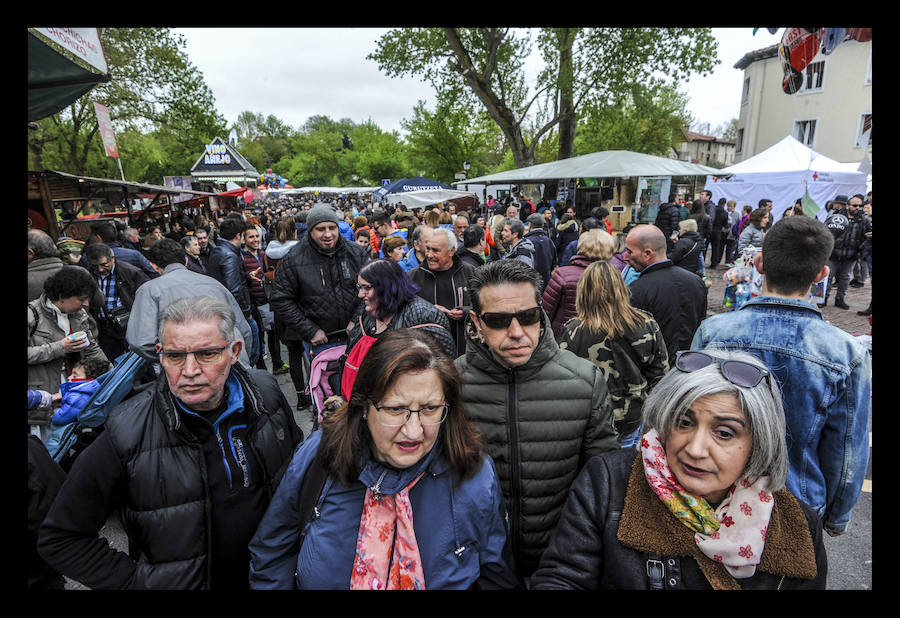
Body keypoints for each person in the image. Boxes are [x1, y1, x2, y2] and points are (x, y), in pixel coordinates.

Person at [38, 296, 303, 590]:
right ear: (160, 355)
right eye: (175, 357)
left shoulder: (266, 394)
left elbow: (297, 481)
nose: (189, 371)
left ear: (234, 351)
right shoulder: (127, 430)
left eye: (206, 354)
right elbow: (61, 536)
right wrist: (136, 583)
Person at [531, 349, 827, 589]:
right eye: (684, 423)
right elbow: (563, 577)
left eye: (724, 433)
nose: (695, 449)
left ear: (759, 442)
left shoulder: (797, 526)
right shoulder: (609, 483)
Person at [248, 329, 517, 589]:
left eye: (430, 408)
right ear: (364, 407)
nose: (414, 431)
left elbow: (495, 574)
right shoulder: (320, 455)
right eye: (395, 409)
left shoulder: (473, 473)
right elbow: (272, 554)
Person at [692, 215, 871, 536]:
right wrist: (837, 517)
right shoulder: (847, 353)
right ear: (821, 275)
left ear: (759, 264)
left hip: (716, 493)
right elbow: (846, 450)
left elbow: (687, 414)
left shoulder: (714, 332)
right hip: (796, 503)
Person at [454, 259, 619, 582]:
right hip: (478, 564)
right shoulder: (451, 383)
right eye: (499, 321)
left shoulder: (584, 381)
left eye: (528, 317)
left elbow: (603, 481)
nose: (517, 333)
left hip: (561, 562)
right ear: (476, 321)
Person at [557, 260, 669, 448]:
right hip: (632, 415)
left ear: (584, 292)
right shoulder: (646, 323)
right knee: (625, 465)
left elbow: (562, 379)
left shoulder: (574, 330)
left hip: (589, 418)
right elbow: (660, 374)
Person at [269, 204, 369, 413]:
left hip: (358, 337)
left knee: (362, 393)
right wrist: (310, 330)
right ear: (310, 230)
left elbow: (373, 288)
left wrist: (357, 320)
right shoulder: (295, 258)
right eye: (320, 229)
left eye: (331, 227)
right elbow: (280, 300)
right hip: (322, 342)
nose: (327, 234)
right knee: (331, 400)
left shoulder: (355, 253)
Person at [125, 239, 253, 367]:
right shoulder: (213, 283)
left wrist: (175, 357)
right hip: (230, 364)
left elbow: (141, 342)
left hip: (186, 373)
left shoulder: (149, 290)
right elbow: (244, 330)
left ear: (153, 265)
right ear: (186, 260)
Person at [28, 266, 109, 441]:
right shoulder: (32, 315)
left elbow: (91, 348)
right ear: (62, 297)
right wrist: (59, 348)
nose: (86, 304)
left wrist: (112, 376)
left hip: (73, 390)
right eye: (81, 299)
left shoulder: (79, 315)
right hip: (41, 395)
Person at [346, 258, 456, 373]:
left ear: (387, 287)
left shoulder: (424, 316)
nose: (360, 294)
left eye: (367, 287)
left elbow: (445, 367)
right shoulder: (367, 316)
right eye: (360, 287)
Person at [624, 225, 707, 367]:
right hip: (688, 367)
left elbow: (632, 342)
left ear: (648, 253)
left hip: (655, 372)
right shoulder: (696, 282)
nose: (625, 257)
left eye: (629, 252)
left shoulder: (637, 290)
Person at [407, 227, 477, 358]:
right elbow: (402, 313)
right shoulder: (413, 277)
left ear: (451, 251)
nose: (429, 255)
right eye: (428, 248)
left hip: (464, 353)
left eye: (436, 250)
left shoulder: (470, 272)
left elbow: (485, 305)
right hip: (427, 355)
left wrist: (465, 312)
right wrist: (428, 311)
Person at [82, 242, 150, 362]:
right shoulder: (90, 273)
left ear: (112, 258)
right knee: (112, 360)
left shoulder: (130, 272)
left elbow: (147, 296)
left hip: (127, 323)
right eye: (95, 265)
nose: (100, 269)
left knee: (139, 360)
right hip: (103, 325)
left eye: (104, 265)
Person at [541, 229, 612, 339]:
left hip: (564, 335)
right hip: (598, 338)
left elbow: (547, 310)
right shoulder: (612, 277)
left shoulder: (563, 274)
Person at [207, 216, 259, 366]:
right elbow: (234, 288)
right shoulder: (229, 255)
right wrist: (246, 312)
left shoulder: (219, 250)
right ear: (238, 235)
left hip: (224, 309)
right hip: (237, 312)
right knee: (249, 349)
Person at [821, 194, 870, 310]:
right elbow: (824, 231)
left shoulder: (863, 220)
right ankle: (823, 298)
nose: (858, 207)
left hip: (851, 255)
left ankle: (840, 299)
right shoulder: (835, 216)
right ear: (847, 206)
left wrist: (861, 248)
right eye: (855, 205)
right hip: (833, 253)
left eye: (860, 205)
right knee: (827, 277)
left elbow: (868, 235)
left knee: (845, 278)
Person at [87, 221, 157, 279]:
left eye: (91, 236)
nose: (100, 269)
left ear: (98, 238)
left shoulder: (88, 258)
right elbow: (153, 273)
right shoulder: (134, 254)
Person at [524, 213, 558, 293]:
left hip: (531, 282)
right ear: (542, 225)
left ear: (530, 225)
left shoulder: (527, 241)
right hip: (546, 281)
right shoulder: (549, 241)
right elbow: (554, 262)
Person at [688, 199, 711, 278]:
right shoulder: (706, 217)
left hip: (691, 237)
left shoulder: (690, 216)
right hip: (701, 237)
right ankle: (702, 271)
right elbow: (709, 230)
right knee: (700, 255)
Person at [710, 197, 730, 268]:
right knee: (716, 248)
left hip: (710, 229)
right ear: (724, 204)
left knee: (705, 247)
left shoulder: (713, 209)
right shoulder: (724, 213)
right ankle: (714, 263)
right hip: (718, 231)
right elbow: (725, 224)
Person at [723, 200, 740, 266]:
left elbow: (738, 224)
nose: (730, 207)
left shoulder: (737, 214)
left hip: (731, 234)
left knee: (729, 248)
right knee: (721, 247)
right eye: (729, 206)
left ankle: (728, 261)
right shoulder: (725, 212)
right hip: (724, 232)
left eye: (731, 206)